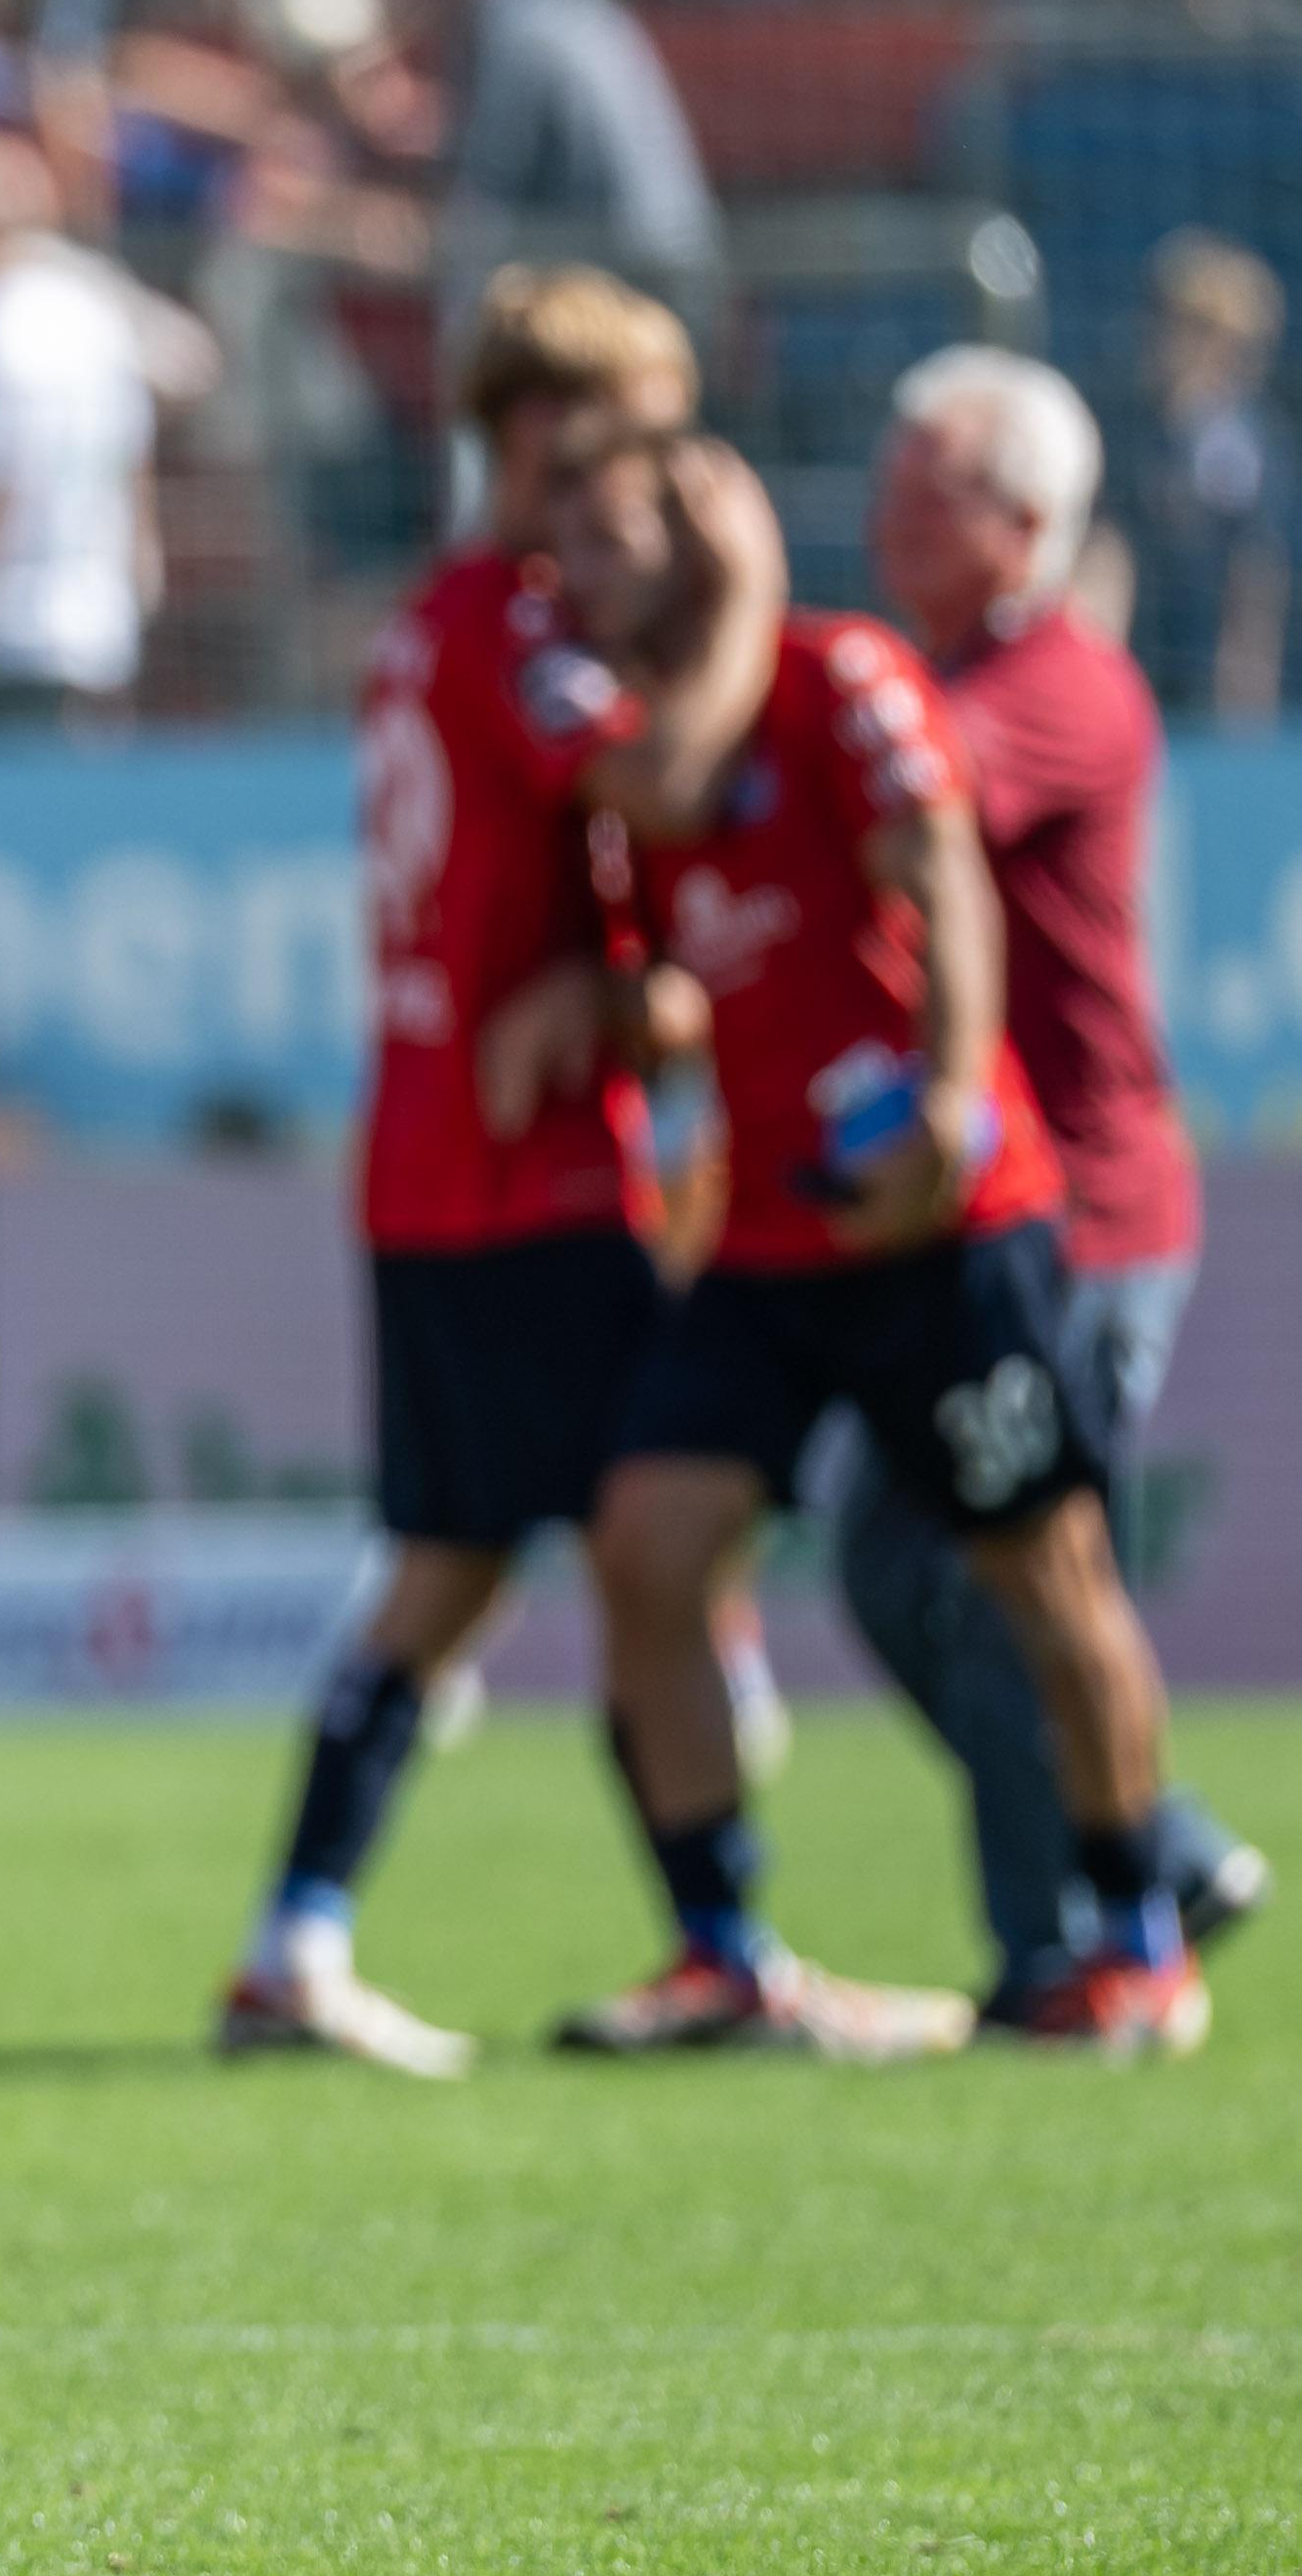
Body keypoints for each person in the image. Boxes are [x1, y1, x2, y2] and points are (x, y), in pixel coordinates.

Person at [219, 265, 813, 2073]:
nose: (664, 474)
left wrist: (618, 988)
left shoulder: (436, 620)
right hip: (527, 1181)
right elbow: (669, 790)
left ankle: (297, 1938)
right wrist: (756, 594)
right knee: (651, 1540)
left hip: (447, 1166)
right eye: (638, 432)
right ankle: (720, 1939)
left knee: (458, 1567)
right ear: (545, 435)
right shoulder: (518, 623)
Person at [549, 422, 1200, 2061]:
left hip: (938, 1227)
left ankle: (1138, 1935)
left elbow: (945, 879)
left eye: (610, 537)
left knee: (1045, 1575)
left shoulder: (844, 671)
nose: (572, 573)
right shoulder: (632, 756)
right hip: (770, 1236)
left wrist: (953, 1103)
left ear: (704, 551)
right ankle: (722, 1947)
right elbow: (680, 946)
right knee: (642, 1544)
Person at [850, 345, 1264, 2040]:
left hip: (1083, 1214)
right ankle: (1144, 1857)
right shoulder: (973, 670)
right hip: (999, 1205)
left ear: (1020, 529)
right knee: (904, 1558)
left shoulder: (1052, 688)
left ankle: (1080, 1937)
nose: (882, 512)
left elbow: (901, 806)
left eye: (922, 486)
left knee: (1019, 1566)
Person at [384, 0, 720, 355]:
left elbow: (488, 199)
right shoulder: (554, 3)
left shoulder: (515, 34)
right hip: (672, 255)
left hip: (625, 275)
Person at [0, 122, 159, 727]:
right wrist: (136, 595)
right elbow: (135, 472)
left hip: (8, 638)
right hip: (103, 634)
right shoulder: (93, 313)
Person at [1113, 231, 1291, 729]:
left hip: (1212, 696)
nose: (1157, 339)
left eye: (1178, 325)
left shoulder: (1246, 447)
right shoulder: (1135, 436)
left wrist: (1242, 719)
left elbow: (1254, 587)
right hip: (1142, 680)